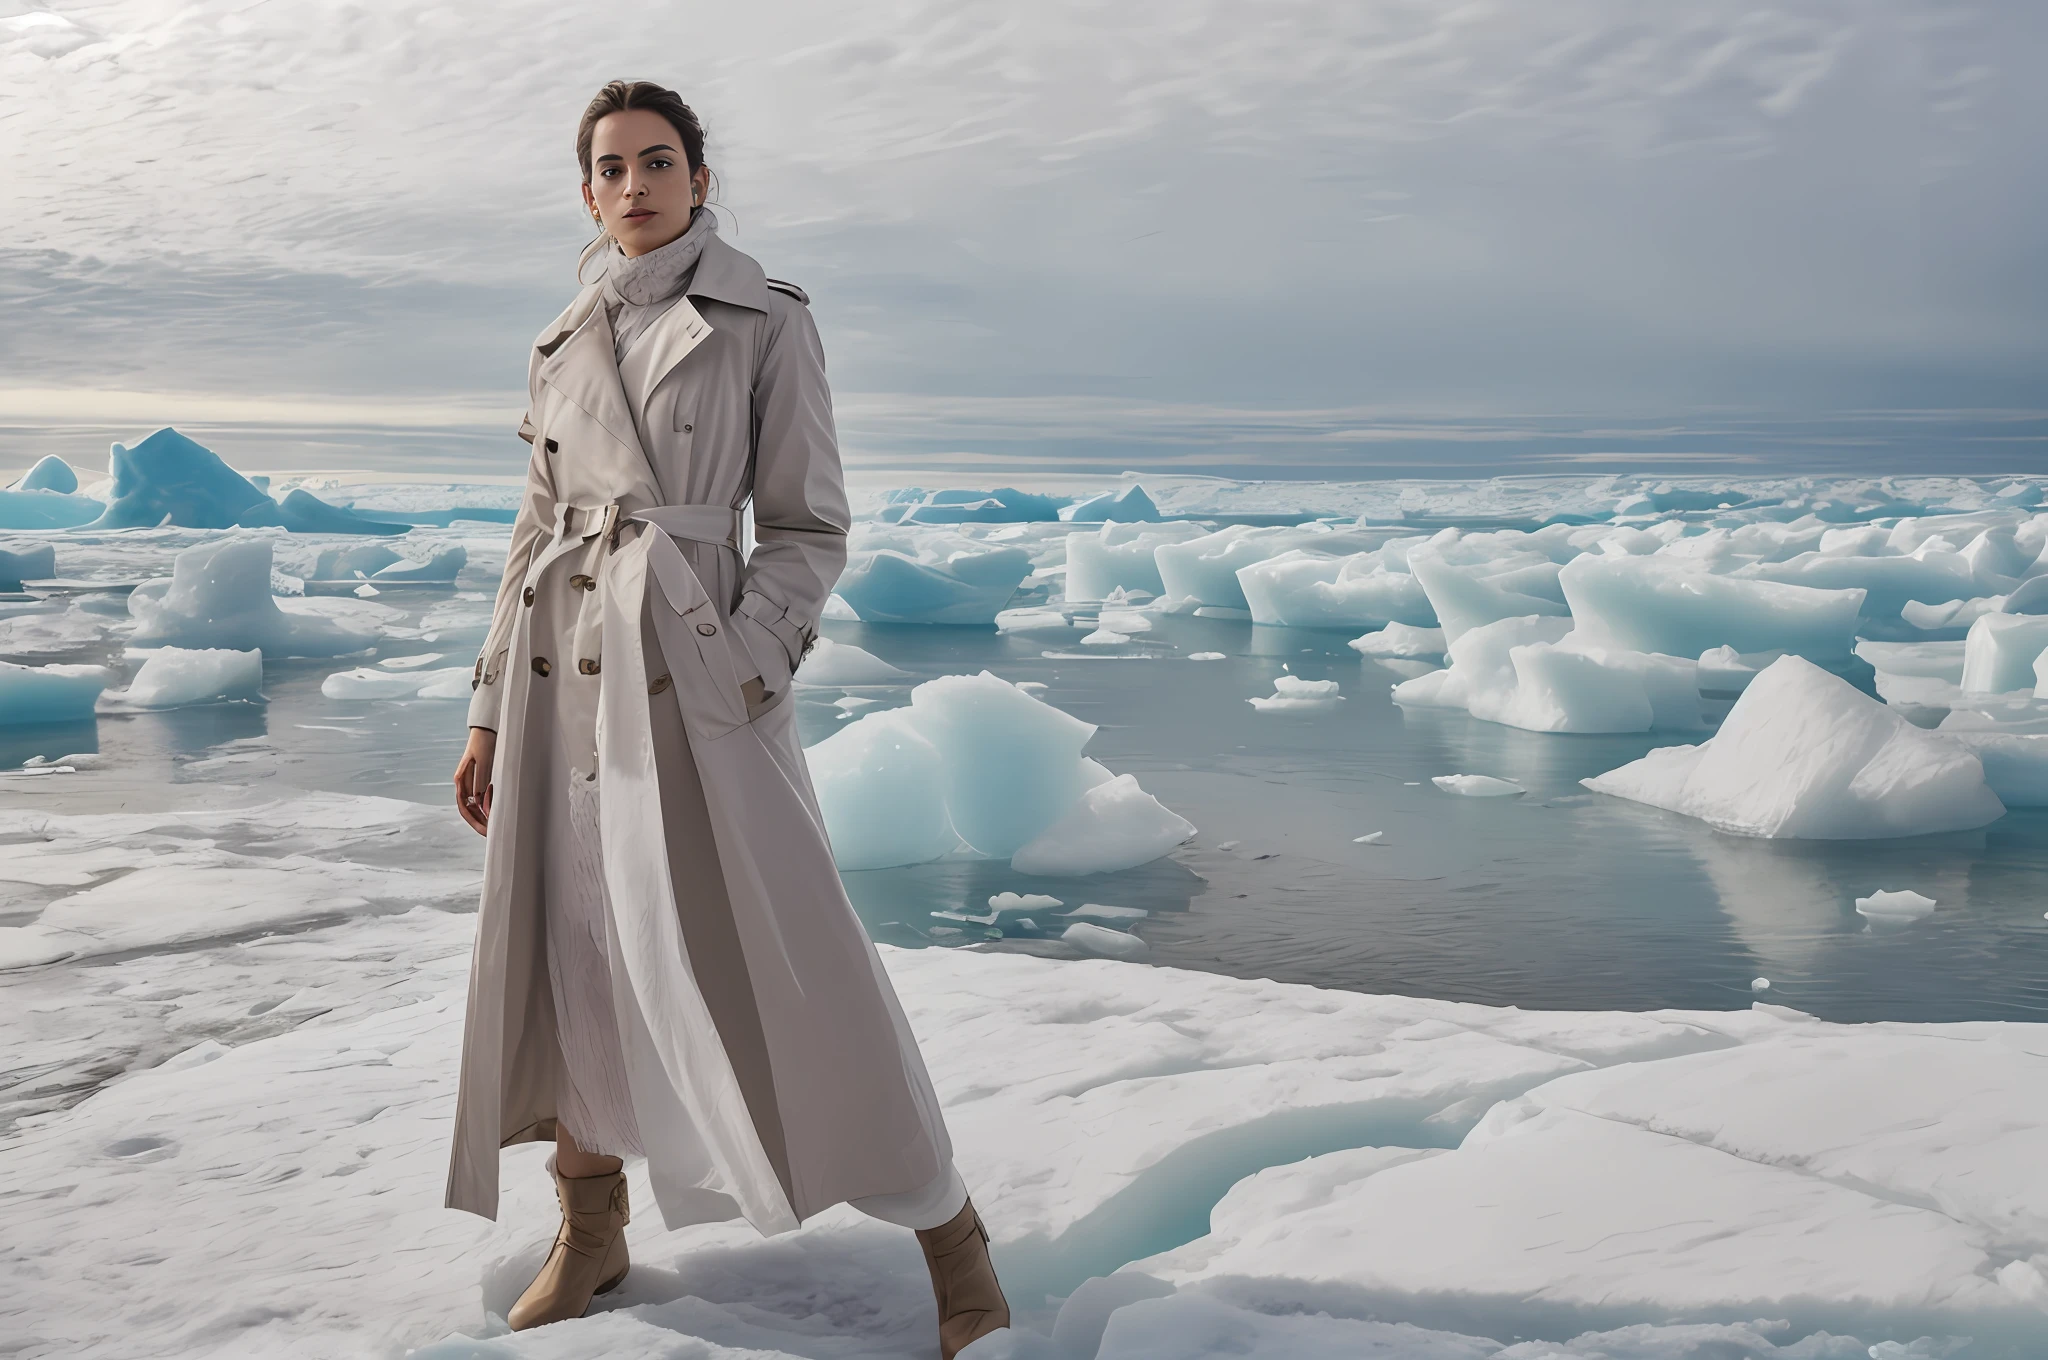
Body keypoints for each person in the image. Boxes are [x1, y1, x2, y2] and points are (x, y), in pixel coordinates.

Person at [446, 79, 1008, 1357]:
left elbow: (809, 526)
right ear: (584, 192)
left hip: (699, 685)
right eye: (609, 167)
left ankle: (951, 1238)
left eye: (658, 161)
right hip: (559, 677)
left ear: (700, 178)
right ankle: (590, 1229)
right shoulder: (557, 341)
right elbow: (532, 534)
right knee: (571, 950)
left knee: (792, 962)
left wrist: (748, 664)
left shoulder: (763, 320)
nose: (634, 184)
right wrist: (485, 713)